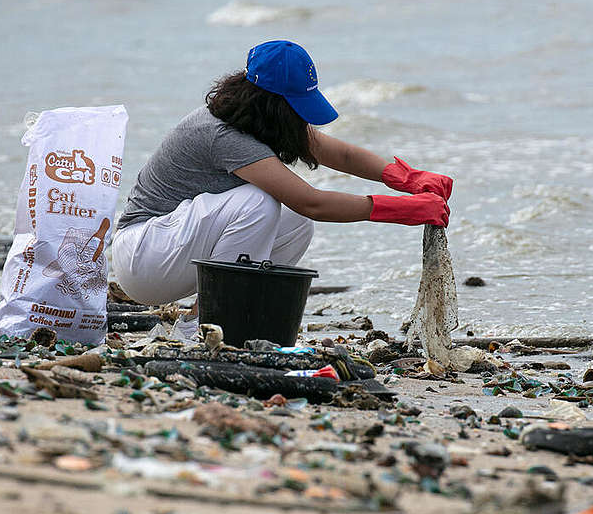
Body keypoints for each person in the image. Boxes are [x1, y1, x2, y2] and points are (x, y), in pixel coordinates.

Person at [111, 39, 451, 315]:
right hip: (142, 259)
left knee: (294, 224)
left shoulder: (254, 120)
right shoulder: (223, 135)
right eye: (297, 106)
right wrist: (402, 210)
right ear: (271, 103)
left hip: (171, 253)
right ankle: (211, 320)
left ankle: (226, 313)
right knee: (260, 203)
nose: (303, 118)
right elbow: (311, 202)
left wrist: (408, 178)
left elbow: (341, 155)